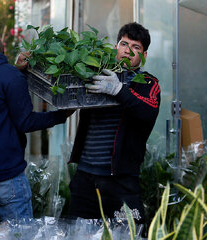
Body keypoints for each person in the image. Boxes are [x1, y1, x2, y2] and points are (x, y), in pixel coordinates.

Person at [0, 13, 73, 225]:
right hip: (4, 179)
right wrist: (61, 115)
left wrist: (15, 70)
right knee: (20, 235)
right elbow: (25, 121)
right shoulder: (9, 77)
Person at [68, 22, 161, 224]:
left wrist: (118, 90)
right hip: (85, 177)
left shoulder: (148, 83)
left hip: (121, 180)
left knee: (128, 234)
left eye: (136, 47)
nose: (127, 51)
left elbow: (148, 112)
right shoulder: (96, 72)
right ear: (116, 47)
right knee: (77, 234)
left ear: (144, 55)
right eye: (123, 44)